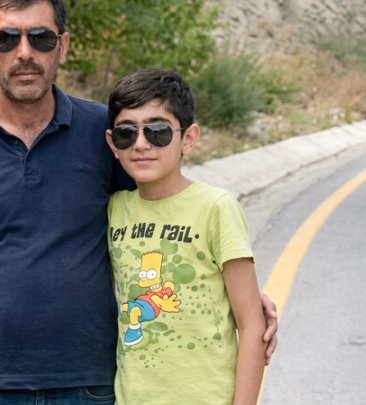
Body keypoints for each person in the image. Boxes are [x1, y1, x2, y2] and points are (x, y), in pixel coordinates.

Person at [0, 1, 277, 404]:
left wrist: (235, 295)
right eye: (6, 38)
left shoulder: (106, 133)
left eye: (40, 38)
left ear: (62, 46)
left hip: (89, 385)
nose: (24, 52)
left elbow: (159, 210)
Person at [105, 68, 266, 404]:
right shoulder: (114, 209)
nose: (141, 144)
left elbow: (252, 325)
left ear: (188, 138)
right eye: (126, 133)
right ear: (112, 143)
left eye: (158, 131)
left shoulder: (216, 207)